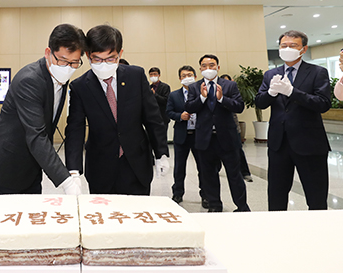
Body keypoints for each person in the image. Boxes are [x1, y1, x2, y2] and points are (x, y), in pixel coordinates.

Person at [0, 23, 86, 196]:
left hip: (32, 167)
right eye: (62, 61)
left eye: (74, 63)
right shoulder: (29, 80)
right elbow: (37, 135)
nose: (68, 68)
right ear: (48, 53)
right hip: (7, 165)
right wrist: (66, 181)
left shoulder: (60, 75)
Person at [65, 24, 169, 195]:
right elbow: (75, 129)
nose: (104, 64)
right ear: (88, 56)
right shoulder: (80, 87)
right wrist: (73, 170)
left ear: (120, 54)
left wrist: (161, 153)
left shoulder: (136, 76)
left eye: (110, 58)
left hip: (136, 163)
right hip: (100, 166)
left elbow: (152, 118)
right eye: (97, 59)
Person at [256, 30, 331, 211]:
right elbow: (260, 102)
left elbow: (323, 103)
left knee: (316, 196)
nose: (287, 48)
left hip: (309, 143)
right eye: (284, 45)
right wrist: (271, 93)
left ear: (303, 49)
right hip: (278, 143)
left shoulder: (317, 72)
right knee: (276, 195)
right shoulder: (270, 74)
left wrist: (293, 92)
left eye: (293, 45)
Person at [185, 54, 250, 212]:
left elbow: (239, 106)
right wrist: (201, 97)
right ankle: (214, 205)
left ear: (218, 67)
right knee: (209, 175)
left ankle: (242, 206)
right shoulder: (195, 87)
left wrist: (222, 99)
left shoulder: (229, 86)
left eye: (212, 65)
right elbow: (189, 107)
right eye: (205, 66)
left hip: (227, 138)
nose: (208, 69)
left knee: (234, 175)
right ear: (200, 69)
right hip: (205, 139)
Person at [166, 65, 207, 207]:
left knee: (203, 166)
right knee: (179, 167)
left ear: (195, 77)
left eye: (189, 75)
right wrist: (179, 116)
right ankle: (177, 193)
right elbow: (169, 112)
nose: (187, 78)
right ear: (179, 78)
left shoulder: (202, 93)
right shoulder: (174, 95)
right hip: (182, 135)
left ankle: (205, 195)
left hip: (199, 135)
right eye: (183, 75)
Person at [220, 74, 253, 183]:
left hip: (233, 127)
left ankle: (245, 172)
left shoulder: (233, 91)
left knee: (238, 150)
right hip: (220, 127)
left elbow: (238, 106)